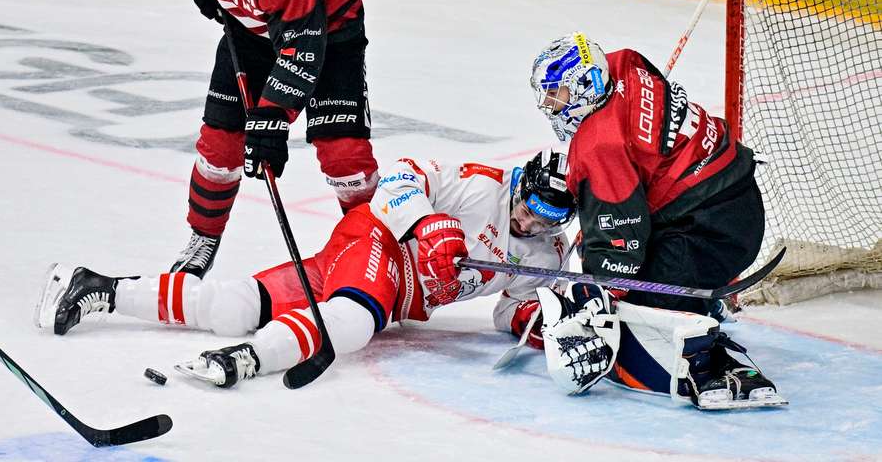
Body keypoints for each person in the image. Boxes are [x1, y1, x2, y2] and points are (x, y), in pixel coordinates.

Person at [35, 151, 574, 388]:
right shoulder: (482, 185)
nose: (529, 220)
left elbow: (512, 314)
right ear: (520, 184)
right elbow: (401, 177)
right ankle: (248, 360)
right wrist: (428, 224)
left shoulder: (546, 256)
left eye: (548, 217)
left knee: (234, 305)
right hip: (374, 242)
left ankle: (98, 288)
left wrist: (543, 321)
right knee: (354, 322)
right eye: (530, 204)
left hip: (374, 282)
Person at [527, 32, 785, 409]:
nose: (549, 104)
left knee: (632, 306)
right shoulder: (623, 62)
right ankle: (703, 296)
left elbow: (622, 248)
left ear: (584, 86)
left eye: (557, 92)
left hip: (709, 236)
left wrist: (597, 290)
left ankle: (706, 349)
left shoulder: (599, 145)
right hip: (738, 199)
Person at [171, 0, 378, 278]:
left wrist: (271, 121)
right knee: (219, 145)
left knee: (345, 157)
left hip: (331, 31)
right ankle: (203, 236)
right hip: (251, 31)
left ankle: (376, 248)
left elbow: (302, 50)